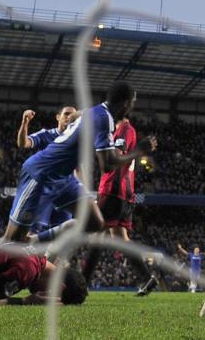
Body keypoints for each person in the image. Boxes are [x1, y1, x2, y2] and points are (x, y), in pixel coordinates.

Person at [0, 82, 155, 245]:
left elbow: (74, 117)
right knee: (11, 240)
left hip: (64, 178)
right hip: (41, 174)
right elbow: (107, 165)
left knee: (94, 222)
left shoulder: (95, 111)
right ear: (126, 103)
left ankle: (34, 242)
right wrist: (138, 151)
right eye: (132, 103)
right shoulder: (104, 118)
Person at [82, 86, 159, 296]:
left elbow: (115, 156)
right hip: (125, 193)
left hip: (113, 190)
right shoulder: (119, 129)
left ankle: (81, 284)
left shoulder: (124, 129)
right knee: (120, 238)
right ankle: (147, 278)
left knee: (97, 236)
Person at [16, 105, 78, 236]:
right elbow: (23, 143)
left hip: (64, 190)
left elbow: (78, 168)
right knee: (32, 233)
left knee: (62, 235)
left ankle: (49, 257)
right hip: (44, 190)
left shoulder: (76, 139)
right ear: (58, 117)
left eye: (73, 115)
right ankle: (19, 256)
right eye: (66, 114)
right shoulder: (46, 135)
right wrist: (25, 122)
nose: (69, 117)